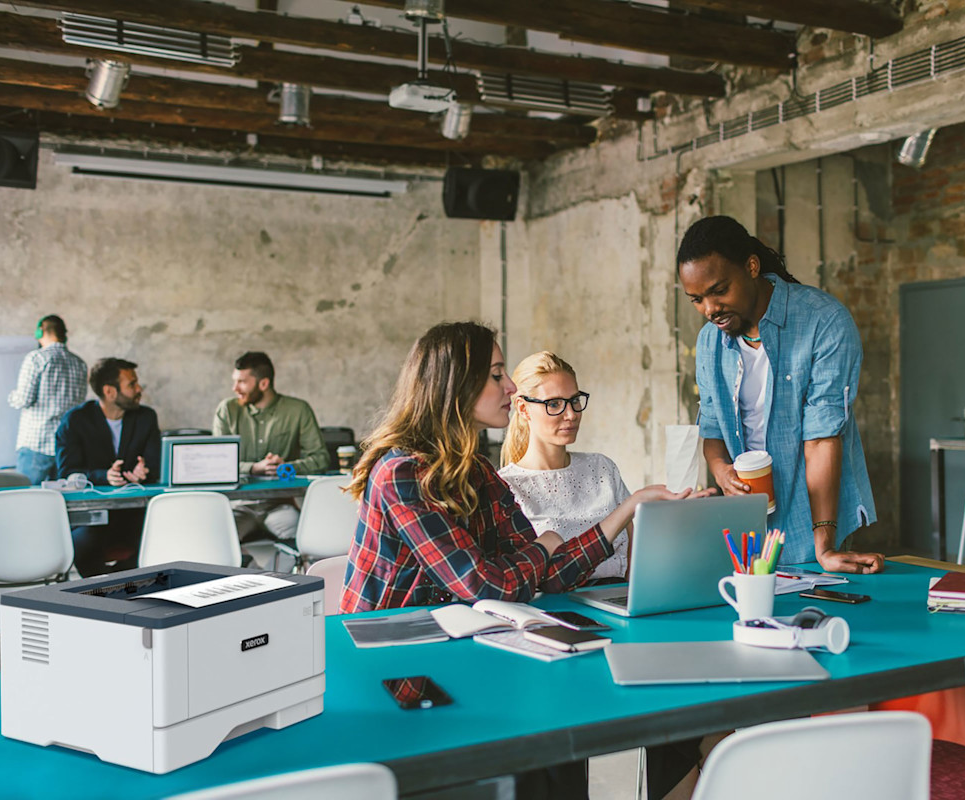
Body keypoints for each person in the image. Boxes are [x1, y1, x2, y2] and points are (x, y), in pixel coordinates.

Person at [341, 322, 698, 800]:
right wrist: (541, 547)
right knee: (537, 743)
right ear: (456, 386)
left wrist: (622, 512)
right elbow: (485, 584)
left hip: (456, 648)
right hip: (389, 665)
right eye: (495, 375)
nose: (510, 387)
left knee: (554, 733)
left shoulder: (479, 471)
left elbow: (544, 577)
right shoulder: (402, 472)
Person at [677, 215, 883, 574]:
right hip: (749, 527)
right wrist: (722, 471)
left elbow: (821, 439)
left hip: (814, 517)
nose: (709, 310)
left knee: (812, 620)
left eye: (719, 290)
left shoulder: (824, 323)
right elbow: (711, 428)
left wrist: (825, 546)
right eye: (697, 299)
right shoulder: (709, 342)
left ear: (752, 267)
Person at [498, 351, 632, 581]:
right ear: (522, 409)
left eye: (574, 400)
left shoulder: (602, 468)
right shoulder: (506, 487)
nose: (571, 414)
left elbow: (637, 555)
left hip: (620, 603)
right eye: (554, 404)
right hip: (551, 611)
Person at [56, 357, 161, 576]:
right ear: (109, 391)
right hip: (93, 516)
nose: (139, 388)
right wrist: (105, 476)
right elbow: (67, 473)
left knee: (163, 535)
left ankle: (124, 582)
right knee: (82, 545)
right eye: (131, 384)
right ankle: (103, 594)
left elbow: (156, 463)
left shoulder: (146, 418)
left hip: (135, 514)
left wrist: (145, 471)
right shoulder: (74, 421)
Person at [212, 351, 329, 547]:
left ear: (263, 384)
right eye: (235, 381)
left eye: (242, 382)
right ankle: (251, 569)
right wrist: (254, 468)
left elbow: (321, 458)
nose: (235, 388)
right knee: (215, 541)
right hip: (237, 506)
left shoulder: (298, 410)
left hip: (279, 505)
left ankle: (292, 576)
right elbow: (217, 463)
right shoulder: (227, 410)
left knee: (309, 542)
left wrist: (286, 467)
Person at [7, 314, 87, 484]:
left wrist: (11, 396)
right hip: (66, 444)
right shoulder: (79, 363)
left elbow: (24, 399)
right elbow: (79, 405)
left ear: (40, 332)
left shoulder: (37, 358)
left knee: (28, 499)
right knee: (60, 501)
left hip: (37, 443)